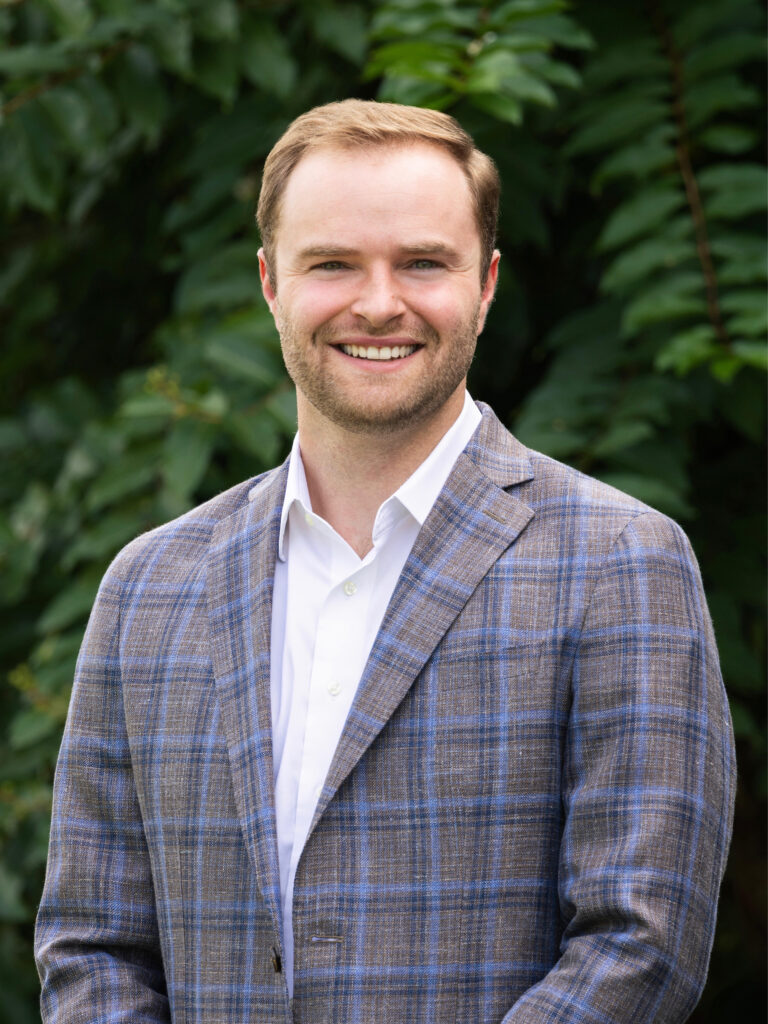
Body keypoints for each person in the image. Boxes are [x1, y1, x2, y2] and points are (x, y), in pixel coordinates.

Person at [35, 99, 735, 1023]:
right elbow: (91, 946)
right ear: (270, 283)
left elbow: (640, 944)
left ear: (485, 285)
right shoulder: (149, 587)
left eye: (422, 263)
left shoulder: (621, 565)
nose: (377, 302)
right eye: (332, 263)